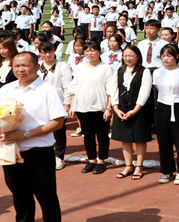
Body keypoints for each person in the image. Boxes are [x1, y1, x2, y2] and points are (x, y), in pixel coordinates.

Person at [0, 52, 66, 222]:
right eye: (17, 65)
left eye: (26, 65)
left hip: (38, 152)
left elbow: (57, 122)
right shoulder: (6, 89)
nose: (21, 69)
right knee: (20, 197)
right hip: (11, 152)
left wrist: (26, 134)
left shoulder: (48, 90)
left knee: (47, 198)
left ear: (37, 66)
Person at [67, 40, 116, 175]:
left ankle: (101, 160)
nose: (90, 53)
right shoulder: (81, 67)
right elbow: (75, 87)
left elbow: (110, 89)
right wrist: (72, 105)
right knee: (87, 135)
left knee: (102, 135)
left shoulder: (106, 68)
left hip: (100, 107)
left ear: (99, 52)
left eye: (93, 50)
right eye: (87, 50)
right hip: (82, 106)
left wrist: (108, 108)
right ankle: (91, 160)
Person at [110, 45, 153, 180]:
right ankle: (128, 166)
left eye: (131, 55)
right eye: (125, 55)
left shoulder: (144, 71)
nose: (128, 58)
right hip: (121, 109)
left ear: (138, 57)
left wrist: (136, 109)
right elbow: (113, 90)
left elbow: (145, 92)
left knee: (139, 139)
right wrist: (115, 108)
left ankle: (139, 167)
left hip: (138, 110)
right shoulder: (119, 71)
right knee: (125, 138)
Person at [154, 44, 179, 185]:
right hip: (162, 107)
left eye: (169, 55)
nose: (166, 58)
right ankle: (167, 171)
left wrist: (178, 101)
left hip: (178, 107)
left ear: (177, 56)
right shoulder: (157, 72)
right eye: (163, 55)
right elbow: (159, 88)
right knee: (164, 140)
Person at [36, 42, 73, 170]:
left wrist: (67, 104)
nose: (47, 55)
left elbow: (67, 86)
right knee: (42, 130)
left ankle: (59, 157)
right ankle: (45, 155)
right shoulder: (38, 66)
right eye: (44, 52)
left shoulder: (62, 66)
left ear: (54, 51)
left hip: (57, 103)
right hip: (40, 104)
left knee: (58, 131)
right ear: (40, 53)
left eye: (49, 51)